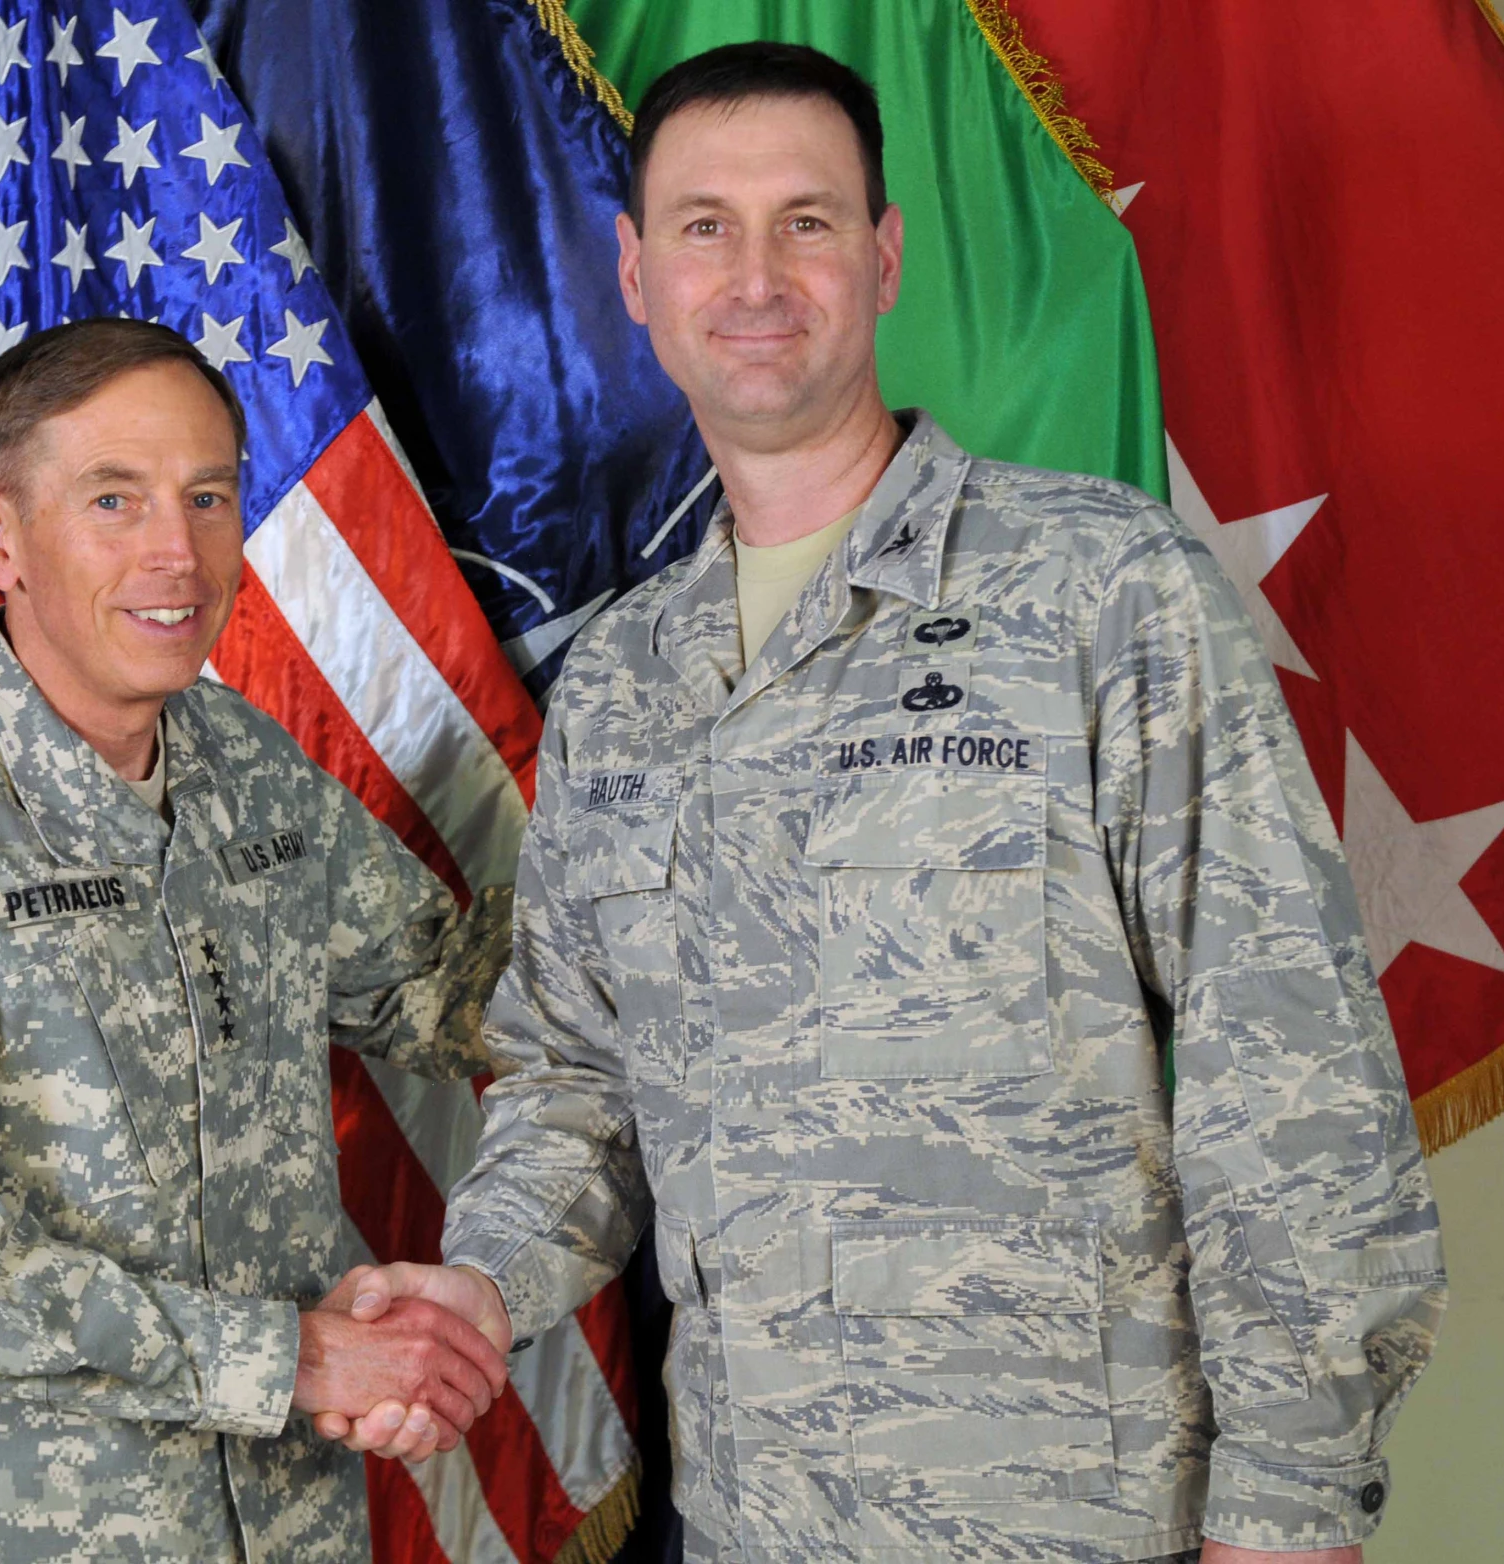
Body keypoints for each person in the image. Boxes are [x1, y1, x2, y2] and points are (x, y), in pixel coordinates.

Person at [322, 42, 1445, 1564]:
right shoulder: (624, 684)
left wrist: (1292, 1508)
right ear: (636, 276)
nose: (757, 273)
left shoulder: (1098, 591)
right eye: (704, 227)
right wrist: (488, 1279)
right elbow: (581, 1081)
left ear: (884, 255)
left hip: (1079, 1519)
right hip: (757, 1517)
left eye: (807, 220)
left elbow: (1288, 1065)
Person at [0, 319, 514, 1562]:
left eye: (207, 496)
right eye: (112, 499)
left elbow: (447, 995)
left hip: (281, 1525)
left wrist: (660, 829)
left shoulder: (245, 767)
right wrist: (293, 1357)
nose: (176, 553)